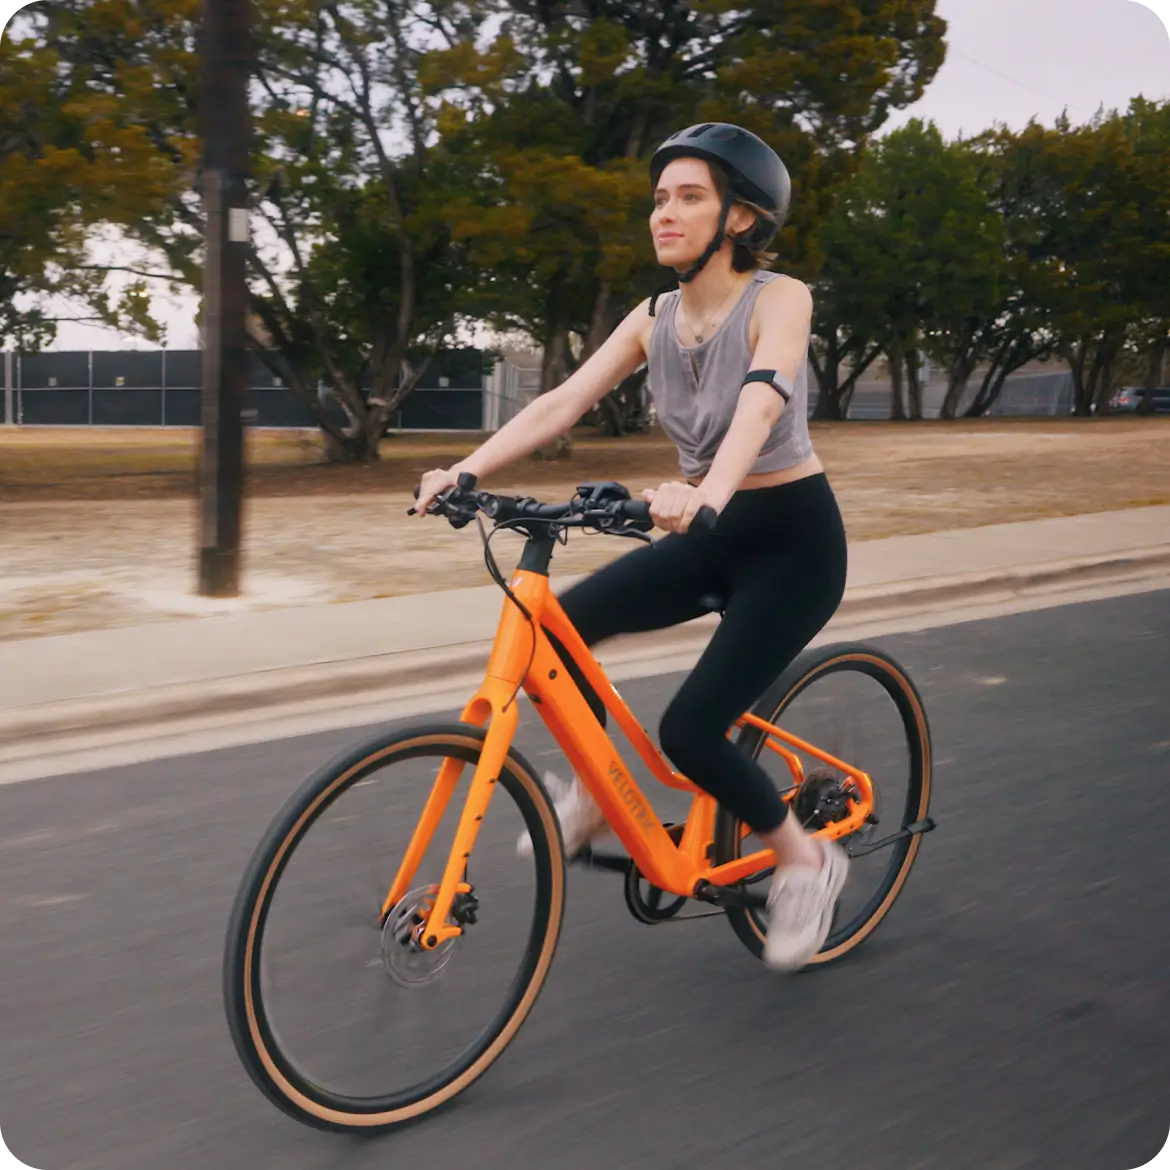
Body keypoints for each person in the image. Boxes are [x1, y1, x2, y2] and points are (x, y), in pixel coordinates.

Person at [414, 123, 849, 972]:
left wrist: (706, 493)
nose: (664, 213)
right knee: (555, 634)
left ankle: (806, 861)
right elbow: (562, 403)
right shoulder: (654, 317)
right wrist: (463, 470)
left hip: (791, 544)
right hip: (706, 535)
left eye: (690, 197)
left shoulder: (780, 298)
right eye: (659, 199)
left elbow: (764, 398)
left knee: (691, 731)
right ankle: (599, 796)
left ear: (740, 218)